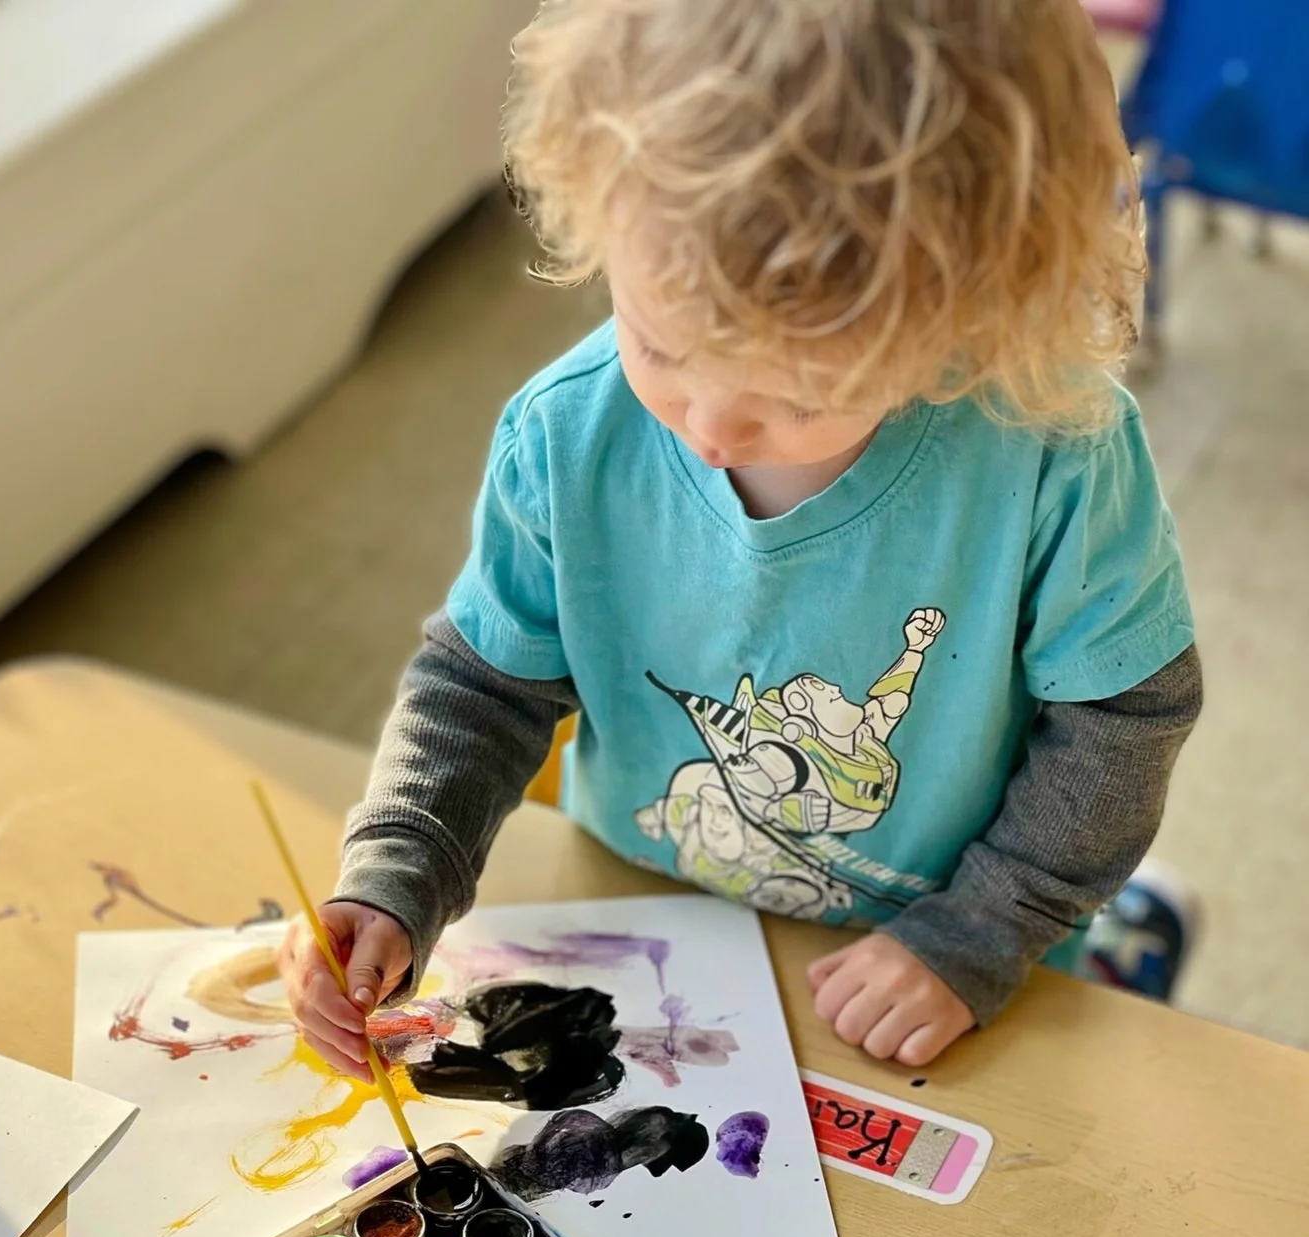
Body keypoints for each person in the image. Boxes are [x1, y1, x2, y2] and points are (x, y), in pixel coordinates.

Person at [281, 0, 1201, 1080]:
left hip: (947, 949)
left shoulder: (1055, 454)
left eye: (797, 393)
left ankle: (1124, 930)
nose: (710, 429)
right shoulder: (565, 432)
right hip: (650, 913)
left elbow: (1124, 717)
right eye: (660, 344)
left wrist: (991, 925)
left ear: (970, 308)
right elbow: (487, 686)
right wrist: (402, 863)